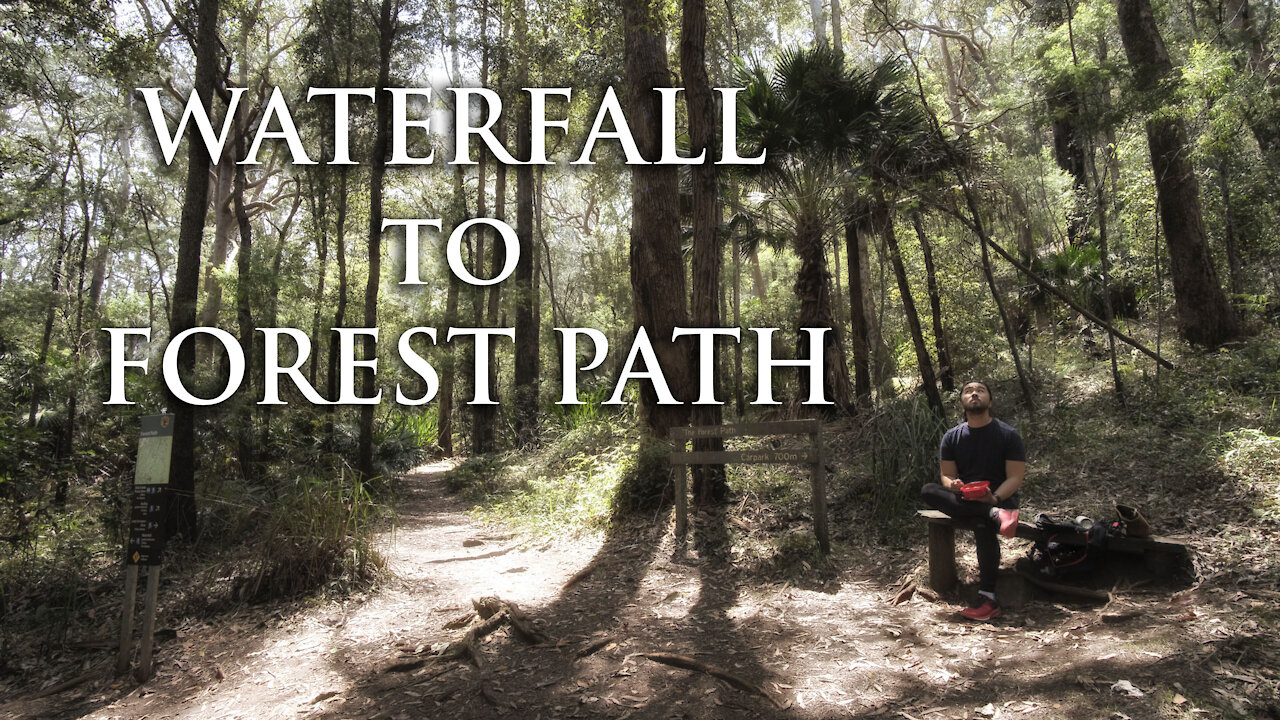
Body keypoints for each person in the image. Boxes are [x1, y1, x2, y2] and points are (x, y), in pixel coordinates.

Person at [921, 380, 1025, 621]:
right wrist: (953, 485)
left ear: (991, 400)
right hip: (969, 501)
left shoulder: (1008, 435)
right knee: (929, 490)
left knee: (981, 524)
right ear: (962, 402)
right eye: (968, 391)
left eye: (980, 390)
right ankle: (991, 514)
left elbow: (1015, 477)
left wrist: (996, 498)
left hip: (1001, 500)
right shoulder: (952, 437)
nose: (974, 393)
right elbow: (946, 475)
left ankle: (988, 599)